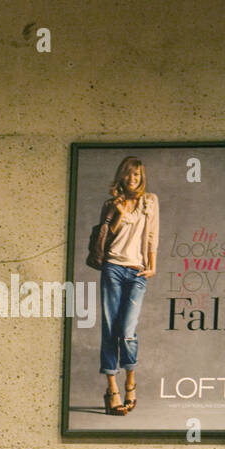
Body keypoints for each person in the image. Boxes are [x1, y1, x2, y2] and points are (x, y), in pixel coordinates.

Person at [95, 156, 159, 415]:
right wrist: (118, 214)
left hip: (137, 272)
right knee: (111, 329)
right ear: (122, 176)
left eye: (138, 175)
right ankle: (113, 389)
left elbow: (153, 234)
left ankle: (130, 381)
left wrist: (152, 265)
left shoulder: (150, 201)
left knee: (128, 330)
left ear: (141, 178)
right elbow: (105, 237)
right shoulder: (111, 204)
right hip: (112, 268)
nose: (133, 179)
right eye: (129, 175)